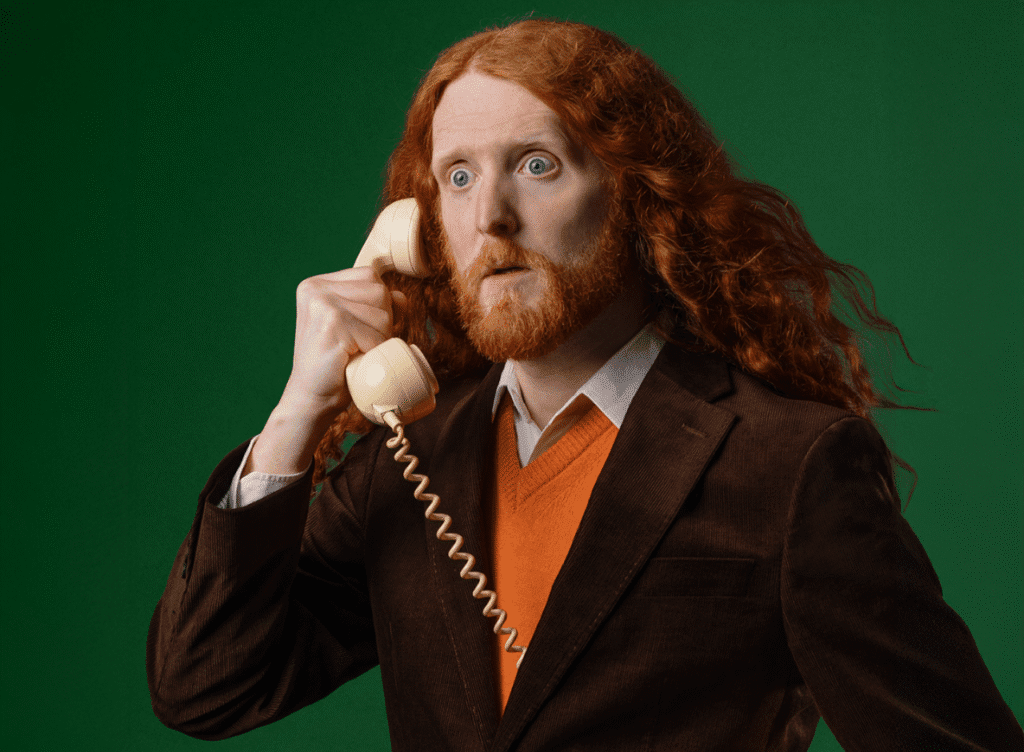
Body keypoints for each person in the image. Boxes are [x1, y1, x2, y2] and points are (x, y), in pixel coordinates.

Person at [147, 19, 1022, 751]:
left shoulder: (789, 465)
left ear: (637, 196)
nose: (489, 215)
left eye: (536, 164)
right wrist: (298, 413)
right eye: (458, 177)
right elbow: (205, 687)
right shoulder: (404, 462)